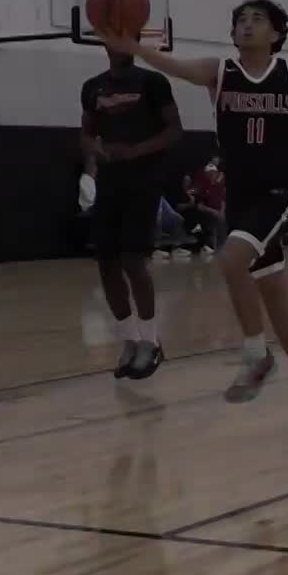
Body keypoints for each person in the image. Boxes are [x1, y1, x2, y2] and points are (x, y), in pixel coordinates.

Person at [109, 0, 288, 428]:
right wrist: (133, 46)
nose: (247, 25)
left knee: (231, 260)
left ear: (276, 34)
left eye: (257, 19)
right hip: (241, 195)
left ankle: (256, 355)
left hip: (280, 189)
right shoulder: (220, 71)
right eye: (240, 20)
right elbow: (174, 66)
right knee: (275, 297)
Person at [80, 34, 183, 380]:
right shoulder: (92, 87)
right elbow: (86, 133)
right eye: (114, 39)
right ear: (105, 44)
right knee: (106, 264)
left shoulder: (153, 82)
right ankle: (129, 340)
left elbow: (174, 131)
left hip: (143, 182)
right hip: (109, 184)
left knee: (133, 261)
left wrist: (135, 151)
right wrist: (94, 152)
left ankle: (151, 342)